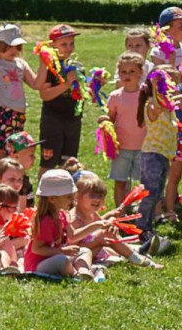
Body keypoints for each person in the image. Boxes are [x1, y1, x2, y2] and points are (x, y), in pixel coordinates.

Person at [0, 23, 45, 171]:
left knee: (13, 161)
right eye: (9, 46)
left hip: (17, 118)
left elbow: (36, 84)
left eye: (17, 46)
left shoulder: (21, 64)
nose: (14, 50)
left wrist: (43, 63)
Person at [70, 171, 161, 271]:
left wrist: (111, 220)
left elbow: (102, 226)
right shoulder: (74, 218)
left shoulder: (92, 213)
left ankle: (135, 255)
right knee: (106, 236)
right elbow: (73, 243)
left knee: (109, 234)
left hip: (95, 250)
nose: (97, 199)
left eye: (100, 196)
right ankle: (138, 258)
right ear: (78, 197)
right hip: (80, 256)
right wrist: (99, 236)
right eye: (92, 195)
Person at [136, 63, 179, 256]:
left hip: (162, 156)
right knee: (150, 192)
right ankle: (142, 228)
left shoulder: (168, 107)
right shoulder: (152, 104)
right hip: (152, 155)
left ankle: (148, 225)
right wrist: (155, 87)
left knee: (156, 193)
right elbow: (155, 108)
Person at [98, 51, 147, 206]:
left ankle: (143, 210)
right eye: (123, 71)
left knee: (144, 182)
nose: (127, 75)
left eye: (132, 71)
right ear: (118, 73)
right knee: (120, 181)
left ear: (141, 72)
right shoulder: (115, 96)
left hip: (144, 146)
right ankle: (120, 210)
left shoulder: (147, 94)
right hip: (121, 146)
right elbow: (111, 118)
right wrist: (104, 121)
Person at [25, 169, 93, 278]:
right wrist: (62, 251)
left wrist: (97, 225)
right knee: (62, 261)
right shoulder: (46, 221)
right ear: (52, 199)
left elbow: (73, 235)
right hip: (38, 265)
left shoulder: (62, 214)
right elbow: (36, 249)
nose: (72, 201)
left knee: (85, 251)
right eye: (68, 197)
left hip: (55, 256)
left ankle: (83, 271)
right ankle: (75, 274)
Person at [37, 24, 84, 173]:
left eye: (71, 43)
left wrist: (94, 85)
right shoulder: (49, 67)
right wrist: (66, 85)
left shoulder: (77, 66)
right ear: (52, 46)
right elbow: (44, 94)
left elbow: (81, 93)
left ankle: (64, 194)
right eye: (63, 44)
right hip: (53, 121)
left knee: (68, 163)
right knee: (48, 163)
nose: (68, 48)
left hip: (73, 120)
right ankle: (44, 195)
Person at [0, 184, 27, 268]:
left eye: (16, 207)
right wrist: (14, 262)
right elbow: (7, 244)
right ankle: (6, 267)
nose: (14, 211)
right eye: (12, 208)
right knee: (3, 249)